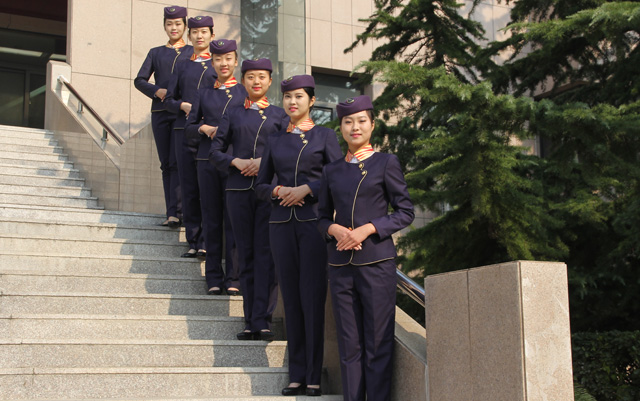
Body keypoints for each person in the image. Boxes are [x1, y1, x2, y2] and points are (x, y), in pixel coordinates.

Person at [317, 95, 414, 401]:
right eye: (348, 122)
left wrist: (369, 228)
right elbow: (321, 217)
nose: (355, 127)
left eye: (361, 121)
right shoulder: (331, 170)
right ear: (341, 127)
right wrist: (332, 229)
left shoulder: (386, 163)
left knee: (377, 344)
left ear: (372, 125)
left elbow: (405, 212)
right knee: (349, 346)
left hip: (376, 264)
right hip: (340, 267)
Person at [254, 75, 342, 397]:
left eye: (299, 96)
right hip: (280, 225)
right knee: (290, 298)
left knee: (313, 298)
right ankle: (296, 374)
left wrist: (308, 188)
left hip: (313, 225)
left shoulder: (325, 136)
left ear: (312, 101)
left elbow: (339, 178)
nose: (293, 102)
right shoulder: (274, 139)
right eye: (288, 97)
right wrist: (277, 191)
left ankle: (313, 376)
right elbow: (260, 186)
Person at [210, 58, 289, 341]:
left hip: (269, 194)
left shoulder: (280, 115)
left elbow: (287, 153)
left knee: (267, 255)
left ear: (270, 82)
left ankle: (263, 320)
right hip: (238, 191)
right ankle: (249, 321)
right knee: (245, 254)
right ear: (243, 81)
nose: (256, 82)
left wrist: (262, 162)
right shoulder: (232, 113)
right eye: (251, 77)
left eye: (262, 77)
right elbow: (215, 152)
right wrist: (236, 161)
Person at [184, 39, 244, 295]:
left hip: (235, 163)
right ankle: (213, 278)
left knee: (233, 221)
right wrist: (203, 128)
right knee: (211, 219)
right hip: (207, 162)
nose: (223, 64)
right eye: (218, 59)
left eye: (228, 58)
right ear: (212, 62)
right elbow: (188, 129)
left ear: (236, 61)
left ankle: (234, 278)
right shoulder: (204, 93)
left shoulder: (244, 92)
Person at [134, 5, 193, 228]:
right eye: (169, 24)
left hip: (182, 112)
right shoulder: (155, 52)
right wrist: (156, 91)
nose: (173, 28)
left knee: (179, 162)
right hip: (160, 112)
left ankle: (181, 211)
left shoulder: (192, 52)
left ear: (185, 26)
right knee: (166, 163)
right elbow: (139, 80)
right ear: (164, 26)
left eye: (178, 24)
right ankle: (171, 213)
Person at [165, 15, 217, 258]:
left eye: (204, 32)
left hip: (210, 135)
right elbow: (168, 99)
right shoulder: (182, 65)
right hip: (184, 132)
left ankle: (207, 240)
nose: (199, 36)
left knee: (208, 188)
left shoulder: (218, 66)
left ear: (212, 36)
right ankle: (193, 240)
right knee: (188, 187)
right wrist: (183, 106)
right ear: (189, 36)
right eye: (195, 32)